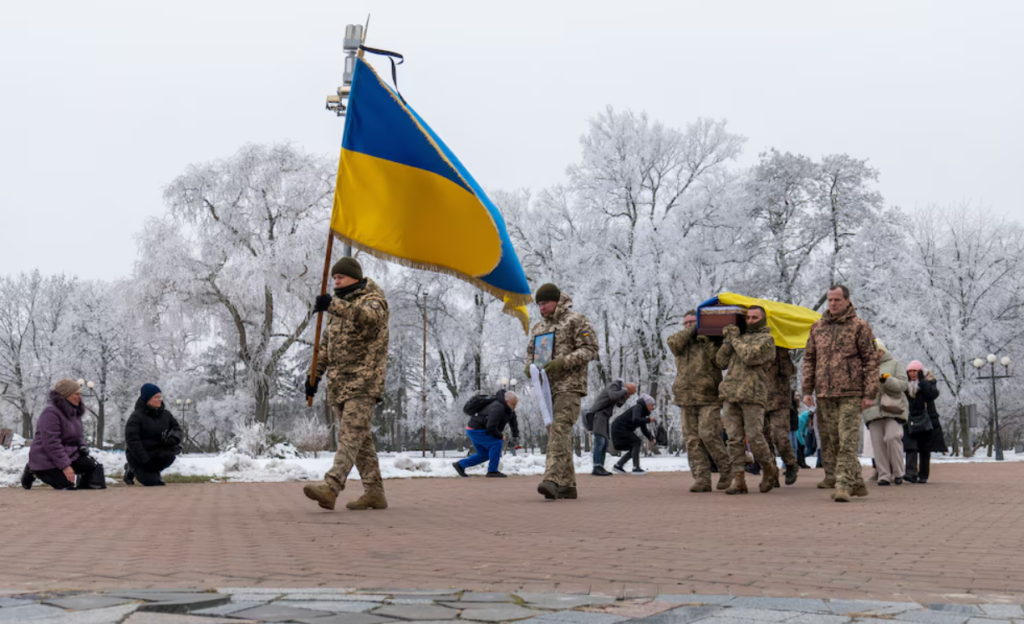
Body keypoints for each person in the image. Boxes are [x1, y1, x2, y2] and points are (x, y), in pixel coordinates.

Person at [304, 257, 390, 511]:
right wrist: (314, 377)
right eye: (334, 278)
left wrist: (334, 305)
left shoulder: (374, 301)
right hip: (340, 385)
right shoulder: (337, 310)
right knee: (360, 440)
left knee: (349, 434)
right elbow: (326, 348)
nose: (336, 281)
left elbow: (368, 319)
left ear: (355, 277)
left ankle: (331, 487)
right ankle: (375, 493)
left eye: (340, 277)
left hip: (364, 382)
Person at [802, 285, 880, 503]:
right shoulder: (817, 327)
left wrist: (869, 393)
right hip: (825, 393)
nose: (833, 304)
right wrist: (807, 389)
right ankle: (858, 483)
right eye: (830, 300)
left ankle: (843, 485)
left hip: (851, 392)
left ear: (847, 301)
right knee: (831, 441)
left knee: (847, 440)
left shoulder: (859, 327)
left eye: (837, 300)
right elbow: (809, 359)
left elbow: (871, 361)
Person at [525, 283, 598, 500]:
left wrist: (563, 362)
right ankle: (568, 485)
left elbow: (590, 348)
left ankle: (552, 479)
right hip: (546, 389)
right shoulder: (538, 328)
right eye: (538, 304)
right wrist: (529, 366)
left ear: (557, 300)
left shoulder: (576, 320)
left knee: (559, 429)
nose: (541, 308)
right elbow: (531, 352)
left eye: (545, 303)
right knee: (556, 433)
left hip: (570, 386)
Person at [667, 309, 732, 492]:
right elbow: (672, 343)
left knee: (708, 434)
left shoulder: (711, 340)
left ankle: (727, 468)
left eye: (692, 322)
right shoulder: (681, 342)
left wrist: (708, 339)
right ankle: (701, 479)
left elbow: (721, 362)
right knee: (692, 440)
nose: (688, 325)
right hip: (686, 397)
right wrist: (693, 329)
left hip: (708, 395)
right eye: (686, 323)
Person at [716, 306, 778, 494]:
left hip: (752, 394)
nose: (750, 320)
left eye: (754, 317)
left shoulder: (767, 341)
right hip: (731, 393)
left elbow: (751, 357)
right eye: (748, 317)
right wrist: (728, 340)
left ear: (762, 319)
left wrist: (734, 339)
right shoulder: (737, 338)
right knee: (733, 439)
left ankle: (769, 469)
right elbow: (720, 361)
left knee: (755, 436)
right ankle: (739, 480)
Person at [21, 379, 104, 490]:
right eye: (76, 394)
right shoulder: (50, 414)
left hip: (68, 454)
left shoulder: (74, 413)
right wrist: (65, 466)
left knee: (91, 466)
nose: (79, 398)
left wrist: (82, 446)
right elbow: (51, 443)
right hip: (46, 458)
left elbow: (79, 436)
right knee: (66, 485)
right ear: (65, 395)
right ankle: (34, 470)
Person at [861, 340, 908, 486]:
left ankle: (898, 472)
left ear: (883, 351)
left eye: (878, 351)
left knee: (892, 437)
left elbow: (903, 385)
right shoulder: (865, 368)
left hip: (893, 409)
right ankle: (884, 475)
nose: (876, 354)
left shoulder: (895, 364)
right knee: (878, 444)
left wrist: (887, 380)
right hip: (872, 410)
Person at [124, 384, 184, 486]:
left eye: (160, 397)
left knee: (169, 455)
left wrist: (173, 439)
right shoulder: (136, 417)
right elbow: (132, 441)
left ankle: (154, 471)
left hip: (158, 451)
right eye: (156, 397)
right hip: (139, 455)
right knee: (151, 482)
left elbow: (177, 429)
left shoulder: (166, 415)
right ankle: (131, 468)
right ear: (147, 399)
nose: (159, 399)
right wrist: (145, 460)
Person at [454, 390, 520, 478]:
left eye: (516, 404)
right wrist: (500, 436)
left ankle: (460, 465)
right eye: (513, 404)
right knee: (497, 442)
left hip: (473, 430)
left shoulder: (509, 410)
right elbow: (491, 426)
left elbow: (513, 423)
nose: (514, 406)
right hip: (476, 430)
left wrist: (515, 436)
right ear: (507, 401)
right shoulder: (498, 407)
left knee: (484, 454)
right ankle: (492, 471)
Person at [904, 361, 946, 484]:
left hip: (926, 420)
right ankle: (911, 474)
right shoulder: (905, 385)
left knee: (924, 448)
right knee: (910, 447)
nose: (912, 374)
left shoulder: (929, 382)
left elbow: (933, 394)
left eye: (915, 371)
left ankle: (923, 475)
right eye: (910, 371)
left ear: (921, 371)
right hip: (910, 419)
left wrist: (922, 382)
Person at [763, 347, 800, 486]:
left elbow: (789, 371)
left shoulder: (779, 351)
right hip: (758, 402)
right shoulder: (753, 350)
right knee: (764, 441)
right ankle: (772, 473)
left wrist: (782, 353)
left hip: (779, 402)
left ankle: (791, 463)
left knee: (780, 436)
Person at [584, 380, 636, 476]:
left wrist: (626, 397)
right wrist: (625, 392)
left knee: (605, 442)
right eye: (629, 391)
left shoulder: (619, 390)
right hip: (598, 415)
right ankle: (596, 467)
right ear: (626, 387)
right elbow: (613, 396)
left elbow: (619, 404)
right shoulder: (614, 385)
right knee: (600, 441)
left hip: (604, 417)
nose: (628, 394)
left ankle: (600, 467)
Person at [610, 394, 657, 475]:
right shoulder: (638, 408)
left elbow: (643, 428)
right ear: (647, 404)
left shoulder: (642, 412)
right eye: (652, 405)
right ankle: (636, 468)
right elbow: (635, 420)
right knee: (637, 442)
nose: (653, 408)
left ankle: (618, 465)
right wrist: (648, 419)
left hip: (620, 429)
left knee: (634, 448)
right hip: (619, 428)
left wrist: (651, 438)